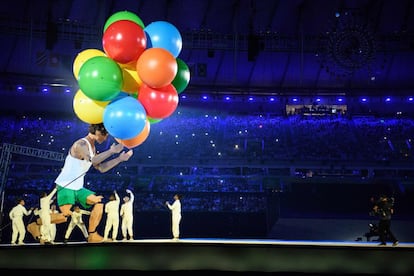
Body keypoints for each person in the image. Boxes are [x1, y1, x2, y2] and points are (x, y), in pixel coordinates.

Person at [54, 123, 133, 243]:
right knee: (65, 216)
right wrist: (111, 151)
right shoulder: (80, 144)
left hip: (78, 187)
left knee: (98, 203)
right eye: (105, 135)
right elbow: (93, 160)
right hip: (66, 185)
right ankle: (36, 223)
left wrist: (119, 159)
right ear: (97, 132)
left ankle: (92, 235)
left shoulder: (93, 148)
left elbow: (101, 168)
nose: (106, 138)